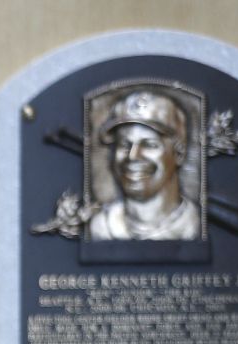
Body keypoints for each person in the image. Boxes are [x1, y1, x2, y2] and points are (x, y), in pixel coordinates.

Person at [85, 89, 200, 242]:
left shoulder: (195, 225)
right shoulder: (100, 227)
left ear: (179, 153)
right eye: (124, 144)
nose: (133, 156)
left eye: (149, 145)